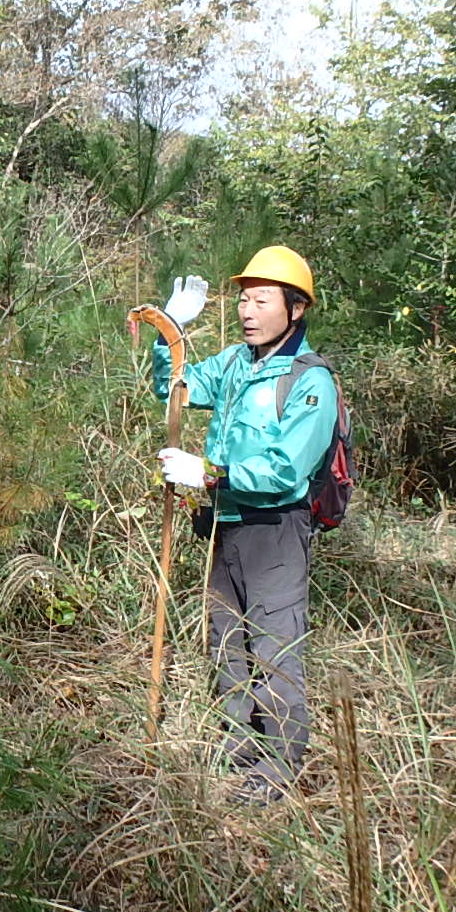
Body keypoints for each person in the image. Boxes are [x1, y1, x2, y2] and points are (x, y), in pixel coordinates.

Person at [150, 245, 338, 801]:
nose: (248, 311)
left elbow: (285, 469)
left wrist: (207, 472)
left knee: (274, 647)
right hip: (224, 522)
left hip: (274, 529)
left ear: (296, 308)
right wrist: (170, 333)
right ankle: (238, 750)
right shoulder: (235, 362)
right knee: (226, 641)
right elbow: (176, 389)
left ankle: (278, 770)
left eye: (262, 300)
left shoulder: (310, 381)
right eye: (244, 300)